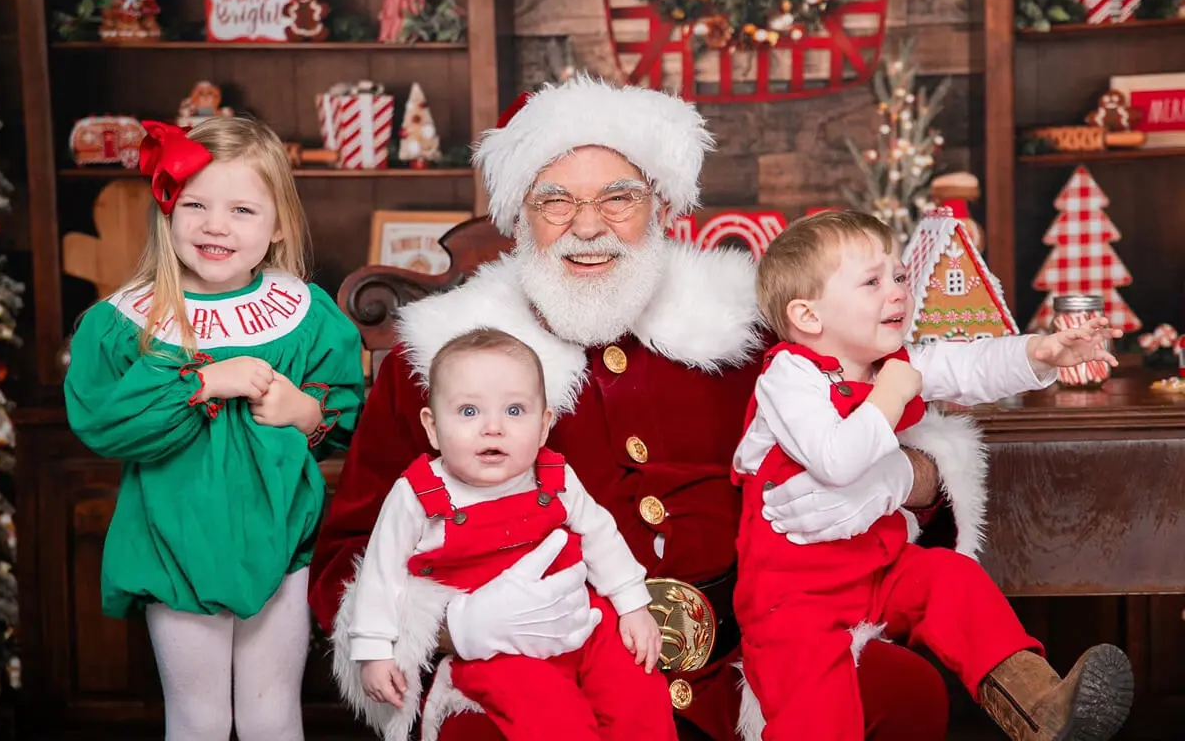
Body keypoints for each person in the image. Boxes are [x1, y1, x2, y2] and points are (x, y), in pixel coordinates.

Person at [310, 75, 976, 741]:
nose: (590, 226)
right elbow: (350, 553)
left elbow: (895, 418)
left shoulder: (751, 325)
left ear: (660, 205)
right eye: (557, 202)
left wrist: (906, 480)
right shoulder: (437, 359)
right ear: (519, 217)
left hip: (754, 660)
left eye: (618, 198)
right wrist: (453, 625)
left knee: (902, 691)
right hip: (557, 676)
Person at [733, 210, 1134, 741]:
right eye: (873, 282)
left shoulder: (889, 361)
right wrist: (894, 393)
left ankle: (1041, 706)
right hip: (795, 601)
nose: (897, 291)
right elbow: (834, 458)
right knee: (818, 716)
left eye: (899, 276)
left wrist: (1042, 352)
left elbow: (969, 367)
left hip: (877, 570)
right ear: (809, 316)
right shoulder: (789, 378)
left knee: (953, 581)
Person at [64, 118, 365, 741]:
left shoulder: (304, 314)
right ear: (167, 211)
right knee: (199, 719)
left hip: (282, 544)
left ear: (277, 224)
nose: (215, 225)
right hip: (176, 546)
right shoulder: (128, 322)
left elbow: (347, 415)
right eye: (195, 205)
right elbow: (104, 422)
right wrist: (201, 383)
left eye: (242, 209)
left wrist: (303, 410)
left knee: (272, 714)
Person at [344, 328, 673, 741]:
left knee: (637, 689)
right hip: (496, 649)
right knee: (552, 716)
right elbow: (380, 574)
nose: (493, 428)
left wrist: (632, 606)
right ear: (431, 426)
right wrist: (373, 650)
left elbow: (600, 535)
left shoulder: (555, 476)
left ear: (543, 425)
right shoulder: (419, 493)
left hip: (580, 620)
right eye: (468, 412)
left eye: (515, 411)